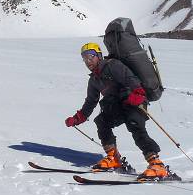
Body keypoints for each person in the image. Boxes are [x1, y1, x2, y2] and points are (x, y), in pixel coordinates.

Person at [64, 42, 169, 179]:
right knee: (102, 121)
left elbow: (131, 79)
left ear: (99, 56)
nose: (88, 61)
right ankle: (113, 158)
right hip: (118, 106)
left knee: (134, 124)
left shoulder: (112, 65)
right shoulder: (94, 80)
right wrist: (78, 118)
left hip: (134, 101)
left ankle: (157, 164)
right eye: (84, 58)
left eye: (90, 57)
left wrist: (138, 93)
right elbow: (91, 101)